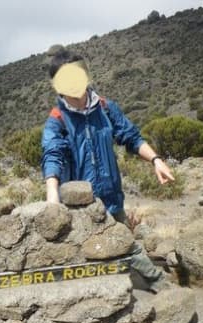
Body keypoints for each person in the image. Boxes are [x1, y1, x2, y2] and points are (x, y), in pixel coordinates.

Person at [41, 47, 174, 290]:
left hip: (112, 199)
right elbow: (53, 156)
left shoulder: (104, 108)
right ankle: (153, 283)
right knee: (98, 256)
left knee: (124, 244)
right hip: (81, 208)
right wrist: (52, 199)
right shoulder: (58, 119)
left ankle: (157, 286)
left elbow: (131, 137)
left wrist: (156, 160)